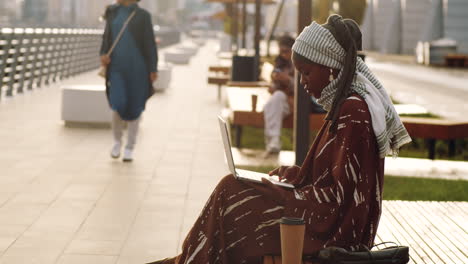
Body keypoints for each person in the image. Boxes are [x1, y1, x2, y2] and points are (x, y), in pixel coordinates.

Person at [148, 15, 411, 264]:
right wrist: (294, 176)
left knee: (231, 190)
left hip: (334, 230)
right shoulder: (346, 105)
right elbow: (332, 180)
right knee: (233, 188)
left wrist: (286, 191)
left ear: (331, 67)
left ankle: (194, 259)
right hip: (325, 217)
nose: (302, 82)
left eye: (307, 72)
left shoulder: (353, 111)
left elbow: (339, 201)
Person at [100, 0, 158, 162]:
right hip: (117, 68)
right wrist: (103, 54)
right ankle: (117, 141)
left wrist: (153, 68)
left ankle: (130, 147)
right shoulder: (112, 12)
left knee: (135, 106)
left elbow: (149, 44)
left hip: (138, 69)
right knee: (117, 103)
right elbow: (106, 37)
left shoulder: (143, 16)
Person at [263, 35, 295, 154]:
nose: (283, 54)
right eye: (280, 52)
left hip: (295, 103)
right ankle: (273, 141)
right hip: (283, 100)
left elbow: (303, 87)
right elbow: (275, 86)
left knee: (273, 102)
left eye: (285, 51)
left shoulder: (299, 64)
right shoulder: (281, 62)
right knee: (273, 102)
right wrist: (274, 84)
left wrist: (288, 81)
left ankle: (273, 140)